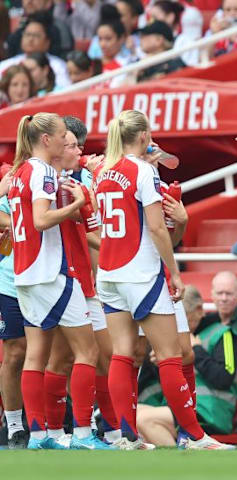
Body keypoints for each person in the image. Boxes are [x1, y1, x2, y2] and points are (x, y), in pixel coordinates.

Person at [94, 109, 232, 450]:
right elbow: (156, 227)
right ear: (143, 136)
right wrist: (172, 270)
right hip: (141, 272)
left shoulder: (103, 172)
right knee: (170, 355)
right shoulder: (142, 171)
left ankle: (126, 437)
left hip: (109, 274)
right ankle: (194, 436)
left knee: (123, 355)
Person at [8, 113, 107, 450]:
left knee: (36, 355)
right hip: (52, 272)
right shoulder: (44, 171)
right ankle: (82, 433)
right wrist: (77, 204)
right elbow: (41, 220)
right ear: (47, 140)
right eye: (64, 136)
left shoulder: (20, 172)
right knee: (87, 351)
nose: (70, 143)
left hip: (25, 273)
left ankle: (38, 436)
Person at [137, 285, 237, 445]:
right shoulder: (173, 339)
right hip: (178, 407)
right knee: (132, 415)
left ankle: (178, 463)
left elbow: (223, 378)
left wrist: (196, 350)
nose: (177, 324)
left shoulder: (223, 334)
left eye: (182, 317)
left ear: (199, 310)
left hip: (210, 413)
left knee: (145, 419)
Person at [0, 167, 28, 449]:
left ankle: (50, 424)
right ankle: (15, 426)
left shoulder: (65, 177)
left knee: (54, 354)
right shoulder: (12, 177)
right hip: (9, 280)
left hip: (44, 278)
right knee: (15, 351)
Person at [0, 13, 70, 89]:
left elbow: (65, 91)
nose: (30, 39)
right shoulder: (5, 65)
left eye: (36, 35)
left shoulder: (58, 66)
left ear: (47, 42)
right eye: (27, 34)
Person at [5, 0, 74, 59]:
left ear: (48, 3)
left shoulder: (59, 29)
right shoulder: (20, 29)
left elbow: (63, 58)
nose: (29, 1)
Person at [96, 18, 134, 87]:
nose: (103, 44)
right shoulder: (92, 64)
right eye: (100, 39)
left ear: (121, 39)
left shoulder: (128, 64)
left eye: (108, 39)